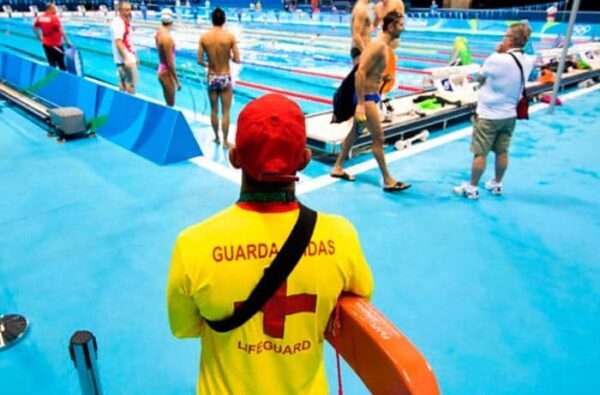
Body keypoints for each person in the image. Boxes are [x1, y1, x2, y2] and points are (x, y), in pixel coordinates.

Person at [167, 93, 374, 395]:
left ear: (235, 157)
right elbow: (357, 302)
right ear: (304, 159)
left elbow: (183, 328)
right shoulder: (340, 237)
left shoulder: (193, 245)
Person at [331, 11, 410, 192]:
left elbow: (369, 71)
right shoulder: (378, 46)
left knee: (355, 133)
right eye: (400, 25)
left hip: (371, 95)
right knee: (379, 138)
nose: (403, 28)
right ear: (390, 27)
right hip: (365, 99)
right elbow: (360, 72)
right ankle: (388, 180)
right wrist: (359, 104)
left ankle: (337, 167)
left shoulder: (382, 46)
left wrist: (382, 77)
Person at [453, 23, 533, 199]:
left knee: (480, 153)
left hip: (489, 115)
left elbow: (480, 77)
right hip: (510, 115)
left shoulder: (496, 59)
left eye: (505, 36)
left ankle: (472, 188)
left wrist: (497, 53)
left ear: (511, 39)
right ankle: (497, 184)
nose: (502, 38)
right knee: (502, 151)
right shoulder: (528, 61)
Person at [197, 8, 240, 147]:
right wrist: (229, 57)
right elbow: (237, 59)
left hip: (212, 76)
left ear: (212, 20)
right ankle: (226, 142)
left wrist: (208, 63)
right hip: (225, 76)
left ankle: (216, 137)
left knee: (214, 110)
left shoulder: (204, 37)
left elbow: (199, 60)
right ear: (224, 20)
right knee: (226, 112)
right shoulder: (229, 37)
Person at [32, 3, 71, 71]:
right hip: (56, 45)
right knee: (61, 64)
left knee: (51, 63)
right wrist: (67, 41)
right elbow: (61, 31)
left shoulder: (41, 17)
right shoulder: (54, 18)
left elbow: (34, 27)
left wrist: (39, 37)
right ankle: (63, 79)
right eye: (54, 8)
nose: (55, 10)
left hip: (46, 44)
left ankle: (52, 78)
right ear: (49, 9)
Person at [111, 1, 138, 94]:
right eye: (126, 10)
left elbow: (129, 41)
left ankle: (122, 105)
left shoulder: (125, 22)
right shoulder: (118, 23)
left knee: (123, 84)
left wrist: (135, 56)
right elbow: (118, 42)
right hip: (125, 60)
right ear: (120, 10)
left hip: (127, 58)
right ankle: (131, 105)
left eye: (130, 10)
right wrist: (127, 59)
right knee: (130, 85)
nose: (129, 12)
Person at [155, 8, 181, 107]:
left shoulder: (159, 33)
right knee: (171, 105)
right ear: (172, 20)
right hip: (166, 73)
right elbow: (169, 63)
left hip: (161, 69)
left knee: (168, 103)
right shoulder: (167, 38)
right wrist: (177, 81)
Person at [350, 0, 372, 66]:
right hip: (360, 50)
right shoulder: (361, 9)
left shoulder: (362, 8)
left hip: (361, 49)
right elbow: (356, 35)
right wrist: (366, 53)